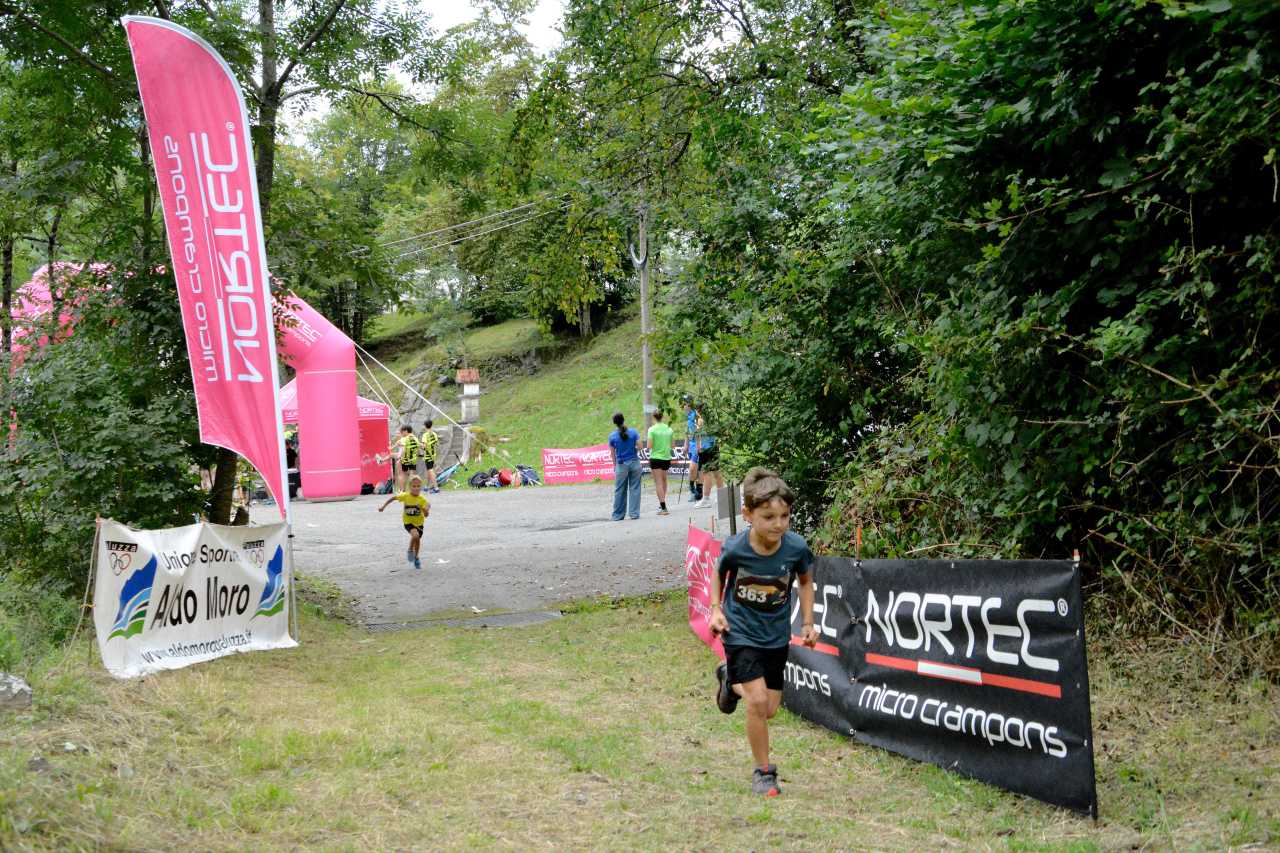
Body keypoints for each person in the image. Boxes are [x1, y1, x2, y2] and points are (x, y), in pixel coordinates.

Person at [707, 467, 818, 797]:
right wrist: (716, 609)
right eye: (769, 517)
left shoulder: (795, 548)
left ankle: (729, 679)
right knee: (756, 701)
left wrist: (808, 623)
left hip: (775, 637)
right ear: (748, 515)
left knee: (768, 709)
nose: (778, 524)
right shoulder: (736, 548)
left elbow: (806, 582)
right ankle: (764, 772)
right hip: (740, 632)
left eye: (785, 516)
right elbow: (718, 573)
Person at [378, 474, 430, 570]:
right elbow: (393, 498)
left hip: (419, 524)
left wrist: (422, 508)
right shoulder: (405, 496)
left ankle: (416, 556)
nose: (416, 488)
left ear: (421, 487)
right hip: (408, 522)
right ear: (409, 487)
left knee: (417, 540)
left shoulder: (422, 500)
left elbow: (426, 515)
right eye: (414, 486)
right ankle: (411, 551)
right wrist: (383, 506)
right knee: (415, 536)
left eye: (418, 486)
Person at [608, 411, 641, 520]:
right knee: (635, 488)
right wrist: (634, 449)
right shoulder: (634, 432)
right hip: (634, 462)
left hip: (621, 464)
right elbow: (640, 446)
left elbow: (612, 453)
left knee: (620, 490)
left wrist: (615, 466)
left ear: (614, 423)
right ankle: (634, 513)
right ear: (623, 420)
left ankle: (618, 515)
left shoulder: (612, 436)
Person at [695, 407, 724, 509]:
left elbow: (698, 435)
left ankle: (706, 499)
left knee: (706, 473)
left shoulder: (700, 420)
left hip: (705, 449)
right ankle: (721, 496)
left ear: (698, 410)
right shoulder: (713, 419)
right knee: (716, 472)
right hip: (714, 448)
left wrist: (698, 447)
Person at [646, 410, 674, 515]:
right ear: (662, 417)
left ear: (654, 418)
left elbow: (649, 446)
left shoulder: (651, 429)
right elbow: (673, 445)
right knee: (664, 480)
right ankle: (662, 503)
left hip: (656, 458)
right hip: (666, 457)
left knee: (658, 482)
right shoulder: (669, 429)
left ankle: (663, 507)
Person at [682, 395, 702, 503]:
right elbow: (687, 431)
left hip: (697, 445)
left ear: (689, 404)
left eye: (685, 404)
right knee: (696, 470)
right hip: (691, 445)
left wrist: (699, 445)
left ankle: (693, 489)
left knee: (693, 468)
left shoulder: (696, 415)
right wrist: (686, 444)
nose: (683, 406)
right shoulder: (688, 415)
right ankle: (697, 493)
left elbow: (699, 431)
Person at [393, 425, 420, 492]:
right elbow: (418, 449)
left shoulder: (404, 439)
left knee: (403, 474)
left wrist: (400, 458)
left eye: (402, 431)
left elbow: (403, 449)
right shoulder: (415, 438)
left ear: (406, 431)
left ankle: (403, 490)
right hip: (413, 459)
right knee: (411, 474)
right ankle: (411, 490)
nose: (402, 433)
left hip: (405, 459)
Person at [420, 419, 441, 494]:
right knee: (428, 470)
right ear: (431, 425)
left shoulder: (425, 435)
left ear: (425, 426)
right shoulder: (434, 434)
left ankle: (436, 488)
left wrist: (419, 444)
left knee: (430, 470)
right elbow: (437, 444)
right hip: (433, 454)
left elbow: (424, 446)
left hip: (428, 455)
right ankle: (426, 486)